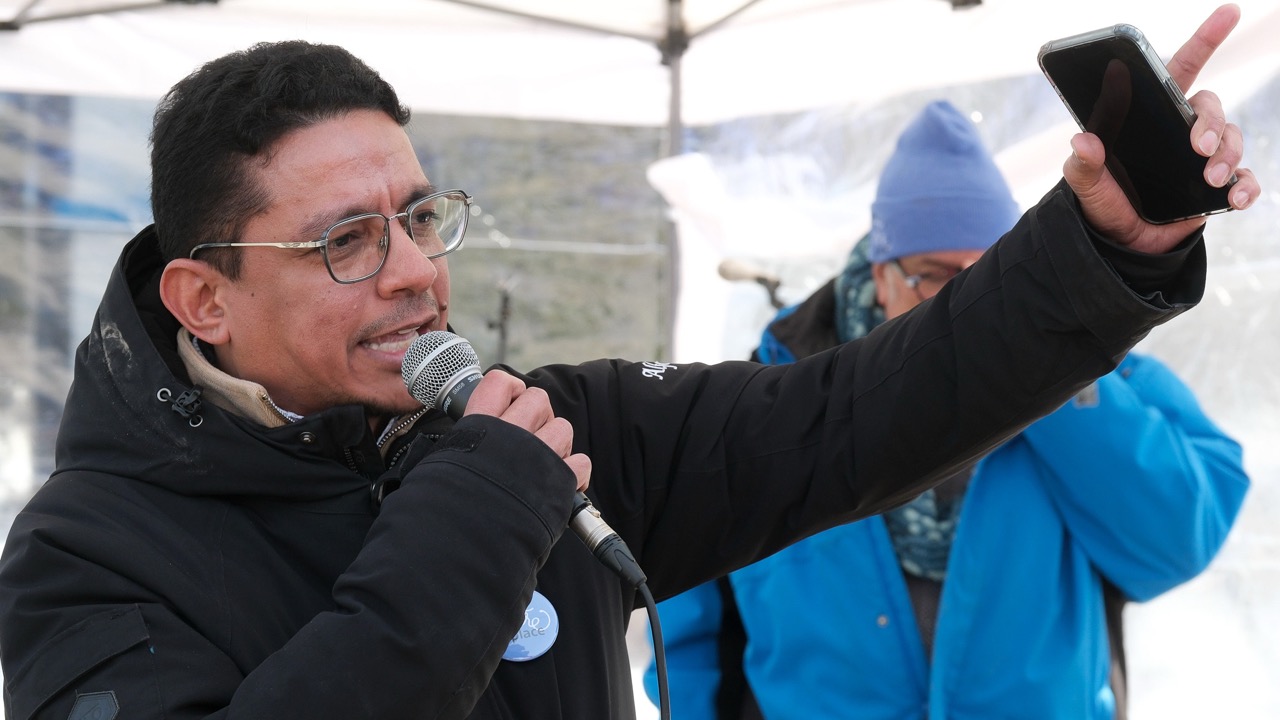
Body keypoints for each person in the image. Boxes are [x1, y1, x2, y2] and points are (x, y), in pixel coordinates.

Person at [0, 5, 1258, 719]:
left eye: (421, 218)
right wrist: (481, 510)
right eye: (343, 241)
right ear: (202, 299)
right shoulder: (86, 556)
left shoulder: (559, 427)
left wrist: (1095, 249)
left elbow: (863, 412)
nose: (411, 271)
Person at [643, 100, 1250, 720]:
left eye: (983, 272)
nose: (964, 299)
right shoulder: (774, 403)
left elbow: (1175, 545)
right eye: (935, 276)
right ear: (881, 277)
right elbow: (688, 635)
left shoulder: (1100, 378)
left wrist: (1055, 366)